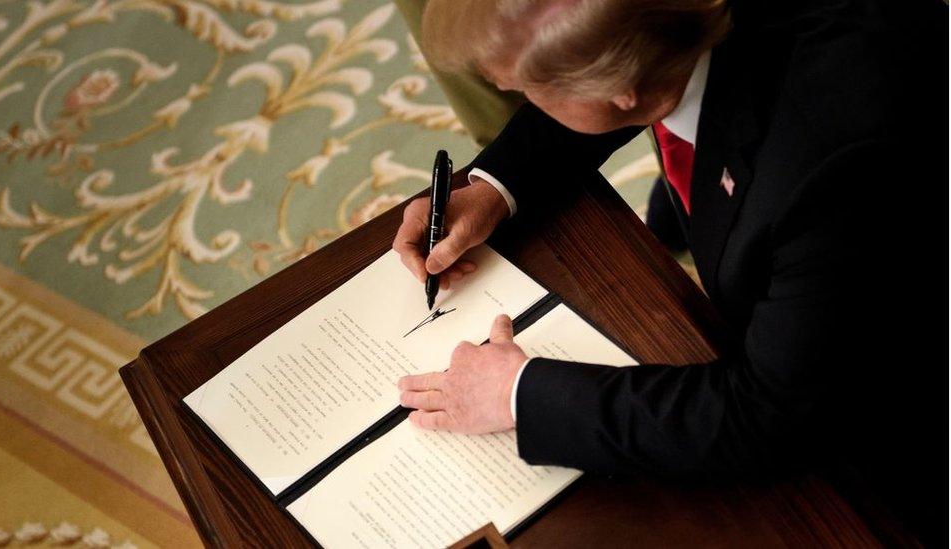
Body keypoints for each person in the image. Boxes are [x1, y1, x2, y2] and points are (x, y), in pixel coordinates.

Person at [391, 0, 947, 543]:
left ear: (618, 86)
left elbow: (767, 419)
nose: (525, 99)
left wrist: (516, 393)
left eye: (531, 90)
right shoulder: (662, 40)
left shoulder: (828, 171)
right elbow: (608, 79)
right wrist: (495, 187)